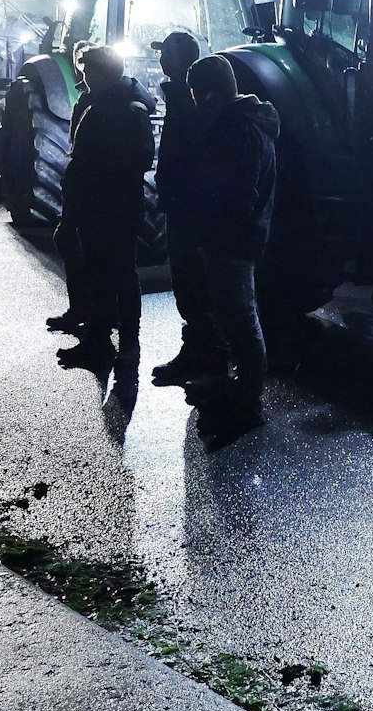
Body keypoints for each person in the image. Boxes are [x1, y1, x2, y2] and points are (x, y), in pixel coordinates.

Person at [169, 54, 278, 428]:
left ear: (212, 94)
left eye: (198, 93)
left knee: (242, 320)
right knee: (235, 317)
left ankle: (248, 401)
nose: (196, 100)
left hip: (233, 240)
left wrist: (211, 222)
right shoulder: (238, 124)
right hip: (229, 236)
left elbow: (235, 193)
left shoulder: (241, 131)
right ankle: (241, 390)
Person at [55, 43, 154, 369]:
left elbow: (88, 163)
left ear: (100, 73)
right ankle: (110, 341)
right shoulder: (112, 105)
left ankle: (110, 344)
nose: (84, 79)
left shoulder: (119, 111)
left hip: (107, 206)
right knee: (113, 273)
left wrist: (81, 199)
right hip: (113, 204)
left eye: (88, 72)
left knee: (111, 274)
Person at [149, 31, 225, 387]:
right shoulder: (189, 98)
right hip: (185, 204)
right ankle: (205, 351)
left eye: (165, 53)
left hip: (187, 208)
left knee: (192, 282)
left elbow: (185, 158)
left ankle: (204, 356)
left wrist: (174, 194)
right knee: (193, 283)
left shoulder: (188, 102)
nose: (160, 59)